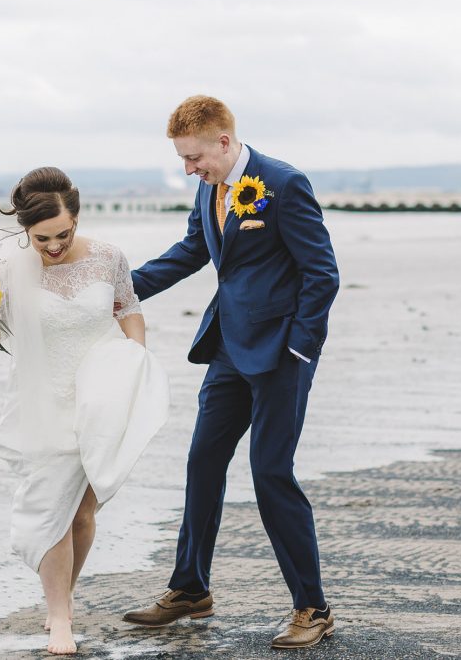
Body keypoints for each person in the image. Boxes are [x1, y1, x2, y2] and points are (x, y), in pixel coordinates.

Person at [120, 96, 340, 650]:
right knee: (202, 461)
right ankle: (190, 588)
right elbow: (192, 250)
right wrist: (120, 290)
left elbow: (323, 273)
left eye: (195, 158)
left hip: (282, 355)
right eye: (184, 161)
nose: (190, 169)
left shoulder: (284, 184)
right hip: (227, 349)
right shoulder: (208, 185)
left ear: (223, 141)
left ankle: (312, 606)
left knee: (269, 473)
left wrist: (300, 348)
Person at [0, 167, 169, 654]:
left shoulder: (108, 256)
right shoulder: (7, 270)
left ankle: (63, 597)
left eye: (63, 235)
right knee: (50, 505)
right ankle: (60, 617)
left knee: (83, 512)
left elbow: (127, 307)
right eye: (42, 238)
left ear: (77, 218)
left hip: (101, 391)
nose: (53, 246)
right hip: (43, 398)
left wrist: (137, 356)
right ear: (25, 230)